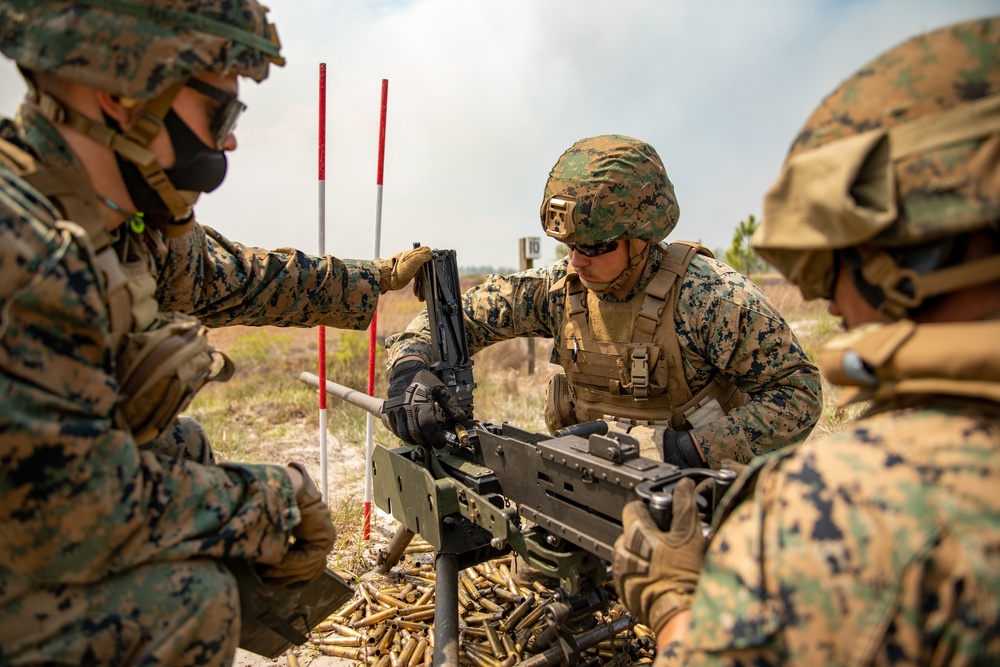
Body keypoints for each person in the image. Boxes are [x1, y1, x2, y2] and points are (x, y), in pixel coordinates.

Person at [0, 1, 429, 664]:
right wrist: (274, 501)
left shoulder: (122, 223)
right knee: (188, 600)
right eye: (219, 114)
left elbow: (243, 277)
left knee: (183, 447)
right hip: (40, 527)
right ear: (121, 94)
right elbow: (74, 515)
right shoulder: (25, 249)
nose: (228, 142)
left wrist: (376, 277)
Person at [612, 16, 1000, 666]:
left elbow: (795, 394)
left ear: (923, 256)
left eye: (834, 263)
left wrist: (675, 606)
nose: (823, 297)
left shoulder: (847, 510)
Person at [384, 134, 821, 469]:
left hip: (698, 487)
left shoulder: (710, 298)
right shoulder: (560, 288)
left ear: (641, 239)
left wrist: (686, 450)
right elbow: (461, 319)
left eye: (594, 247)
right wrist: (409, 369)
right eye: (570, 245)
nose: (576, 261)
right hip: (591, 483)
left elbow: (798, 394)